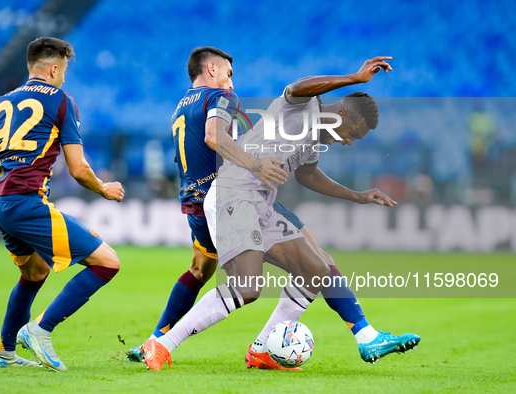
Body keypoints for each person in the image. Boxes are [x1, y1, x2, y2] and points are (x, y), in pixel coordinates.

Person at [141, 57, 420, 370]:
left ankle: (262, 349)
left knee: (317, 269)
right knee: (247, 288)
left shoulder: (314, 137)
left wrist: (356, 195)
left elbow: (308, 175)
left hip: (261, 204)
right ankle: (162, 345)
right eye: (353, 132)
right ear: (341, 113)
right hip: (233, 193)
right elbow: (297, 86)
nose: (349, 141)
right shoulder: (303, 105)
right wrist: (354, 78)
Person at [0, 37, 124, 372]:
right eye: (65, 71)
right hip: (25, 201)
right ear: (55, 68)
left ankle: (4, 351)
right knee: (107, 262)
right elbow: (79, 169)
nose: (65, 78)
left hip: (0, 203)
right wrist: (104, 189)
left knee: (35, 273)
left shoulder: (0, 102)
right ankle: (40, 329)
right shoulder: (61, 100)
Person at [126, 46, 288, 360]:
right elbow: (214, 137)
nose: (231, 83)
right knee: (307, 266)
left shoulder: (181, 105)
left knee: (201, 268)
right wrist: (255, 164)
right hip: (224, 201)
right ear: (211, 69)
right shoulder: (220, 98)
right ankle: (359, 332)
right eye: (228, 74)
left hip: (192, 199)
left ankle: (155, 340)